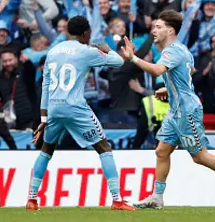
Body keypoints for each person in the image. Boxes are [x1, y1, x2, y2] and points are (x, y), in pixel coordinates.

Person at [119, 10, 215, 209]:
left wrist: (133, 58)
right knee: (162, 151)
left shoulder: (172, 51)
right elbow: (187, 73)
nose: (154, 30)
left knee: (199, 156)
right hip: (176, 110)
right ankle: (157, 197)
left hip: (187, 111)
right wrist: (169, 88)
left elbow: (157, 70)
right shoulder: (182, 50)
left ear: (170, 30)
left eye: (158, 27)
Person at [26, 16, 135, 211]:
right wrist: (106, 48)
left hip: (54, 108)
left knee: (46, 150)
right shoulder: (86, 51)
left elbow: (46, 85)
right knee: (104, 147)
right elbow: (118, 62)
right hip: (75, 107)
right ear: (86, 33)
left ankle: (32, 198)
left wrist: (44, 118)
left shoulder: (53, 51)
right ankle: (117, 199)